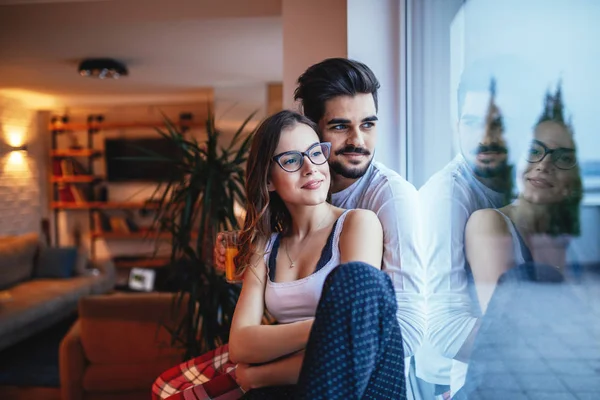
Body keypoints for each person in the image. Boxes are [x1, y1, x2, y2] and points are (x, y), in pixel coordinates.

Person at [154, 110, 406, 400]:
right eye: (291, 160)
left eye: (315, 153)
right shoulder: (265, 244)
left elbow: (359, 347)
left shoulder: (357, 223)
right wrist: (329, 326)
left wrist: (260, 374)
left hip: (366, 387)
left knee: (358, 280)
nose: (310, 167)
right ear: (269, 180)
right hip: (293, 387)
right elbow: (240, 344)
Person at [217, 57, 424, 360]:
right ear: (312, 130)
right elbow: (247, 336)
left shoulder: (389, 199)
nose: (358, 140)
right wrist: (246, 244)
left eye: (368, 124)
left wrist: (266, 371)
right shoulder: (295, 206)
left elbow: (407, 329)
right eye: (340, 126)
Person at [414, 56, 538, 398]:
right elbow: (444, 327)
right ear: (457, 126)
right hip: (447, 382)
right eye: (472, 122)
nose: (485, 137)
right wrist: (538, 357)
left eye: (499, 124)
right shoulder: (445, 197)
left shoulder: (523, 182)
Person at [465, 83, 582, 314]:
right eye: (534, 151)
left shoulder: (573, 241)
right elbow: (506, 324)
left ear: (574, 178)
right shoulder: (488, 223)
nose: (544, 165)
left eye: (563, 158)